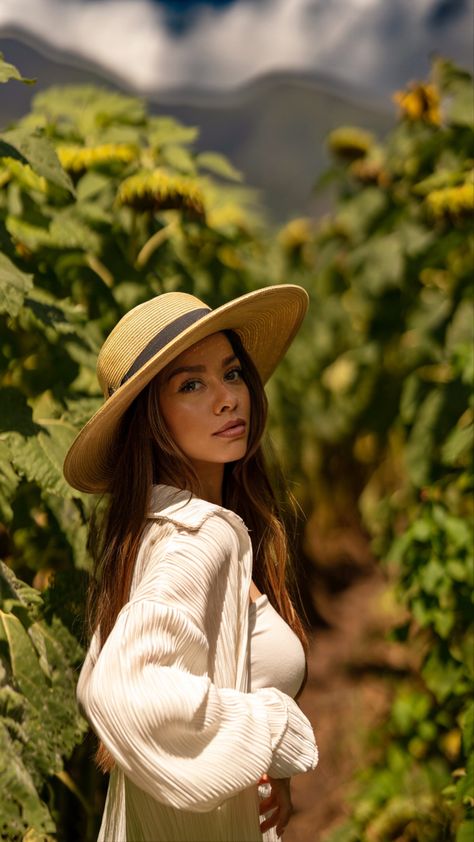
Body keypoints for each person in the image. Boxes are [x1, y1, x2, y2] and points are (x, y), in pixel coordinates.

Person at [63, 285, 318, 842]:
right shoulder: (197, 539)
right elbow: (123, 688)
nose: (228, 398)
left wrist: (254, 766)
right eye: (191, 384)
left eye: (231, 373)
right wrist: (270, 731)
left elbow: (93, 681)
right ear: (148, 418)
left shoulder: (152, 531)